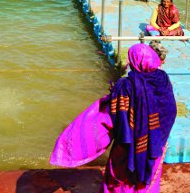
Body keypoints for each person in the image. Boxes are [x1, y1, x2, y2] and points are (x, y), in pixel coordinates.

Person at [51, 43, 176, 192]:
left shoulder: (126, 86)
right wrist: (157, 136)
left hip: (129, 144)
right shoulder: (163, 80)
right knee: (148, 174)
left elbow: (113, 117)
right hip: (156, 142)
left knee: (120, 176)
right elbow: (170, 110)